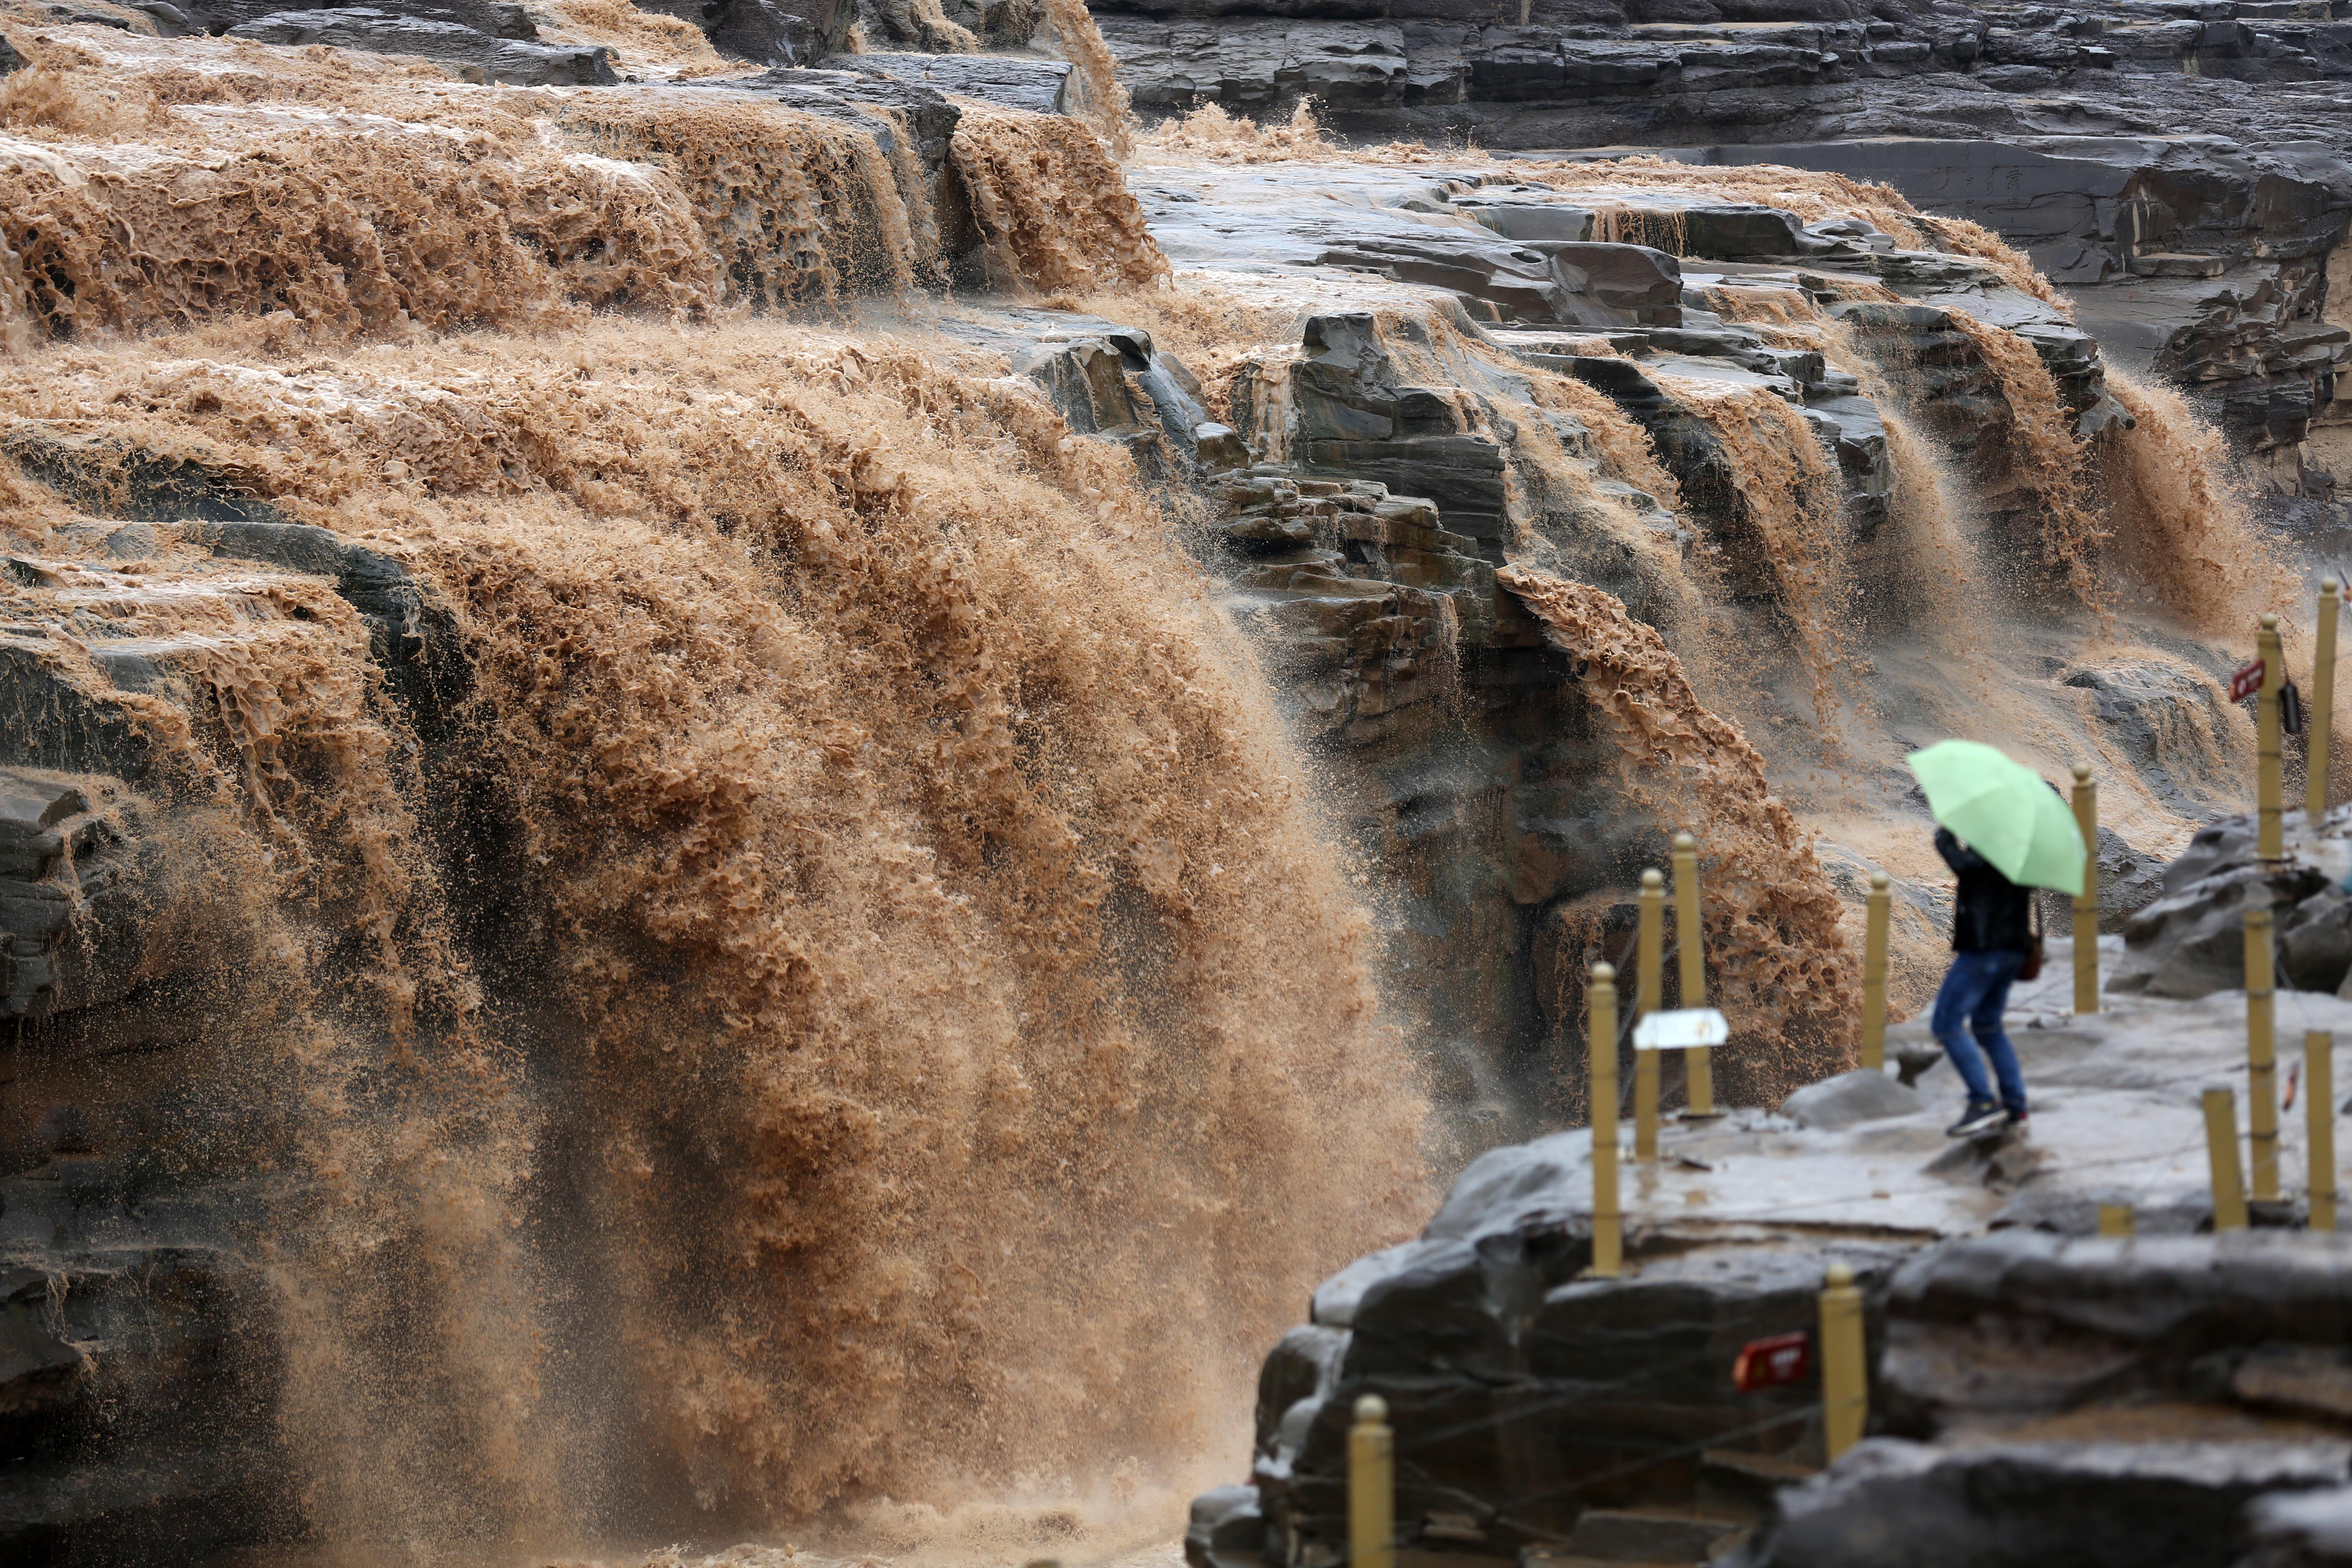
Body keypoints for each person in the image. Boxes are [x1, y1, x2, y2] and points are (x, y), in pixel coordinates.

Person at [1932, 825, 2034, 1138]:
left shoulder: (1994, 838)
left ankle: (1983, 1103)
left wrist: (1945, 839)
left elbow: (1967, 868)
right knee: (1988, 1027)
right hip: (2013, 950)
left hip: (1984, 950)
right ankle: (2016, 1106)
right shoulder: (2023, 842)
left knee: (1947, 1025)